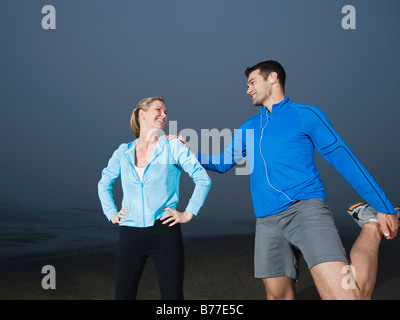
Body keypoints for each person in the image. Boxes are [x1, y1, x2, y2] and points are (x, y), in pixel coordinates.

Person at [169, 60, 398, 300]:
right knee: (278, 296)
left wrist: (383, 206)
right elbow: (222, 163)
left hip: (306, 211)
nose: (248, 89)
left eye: (252, 82)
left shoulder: (306, 115)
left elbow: (346, 161)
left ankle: (370, 224)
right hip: (267, 221)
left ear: (273, 78)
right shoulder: (248, 127)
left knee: (345, 297)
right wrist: (188, 152)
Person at [98, 97, 211, 300]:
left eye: (166, 112)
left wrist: (188, 213)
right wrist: (111, 213)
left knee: (173, 298)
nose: (164, 115)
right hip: (129, 234)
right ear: (142, 114)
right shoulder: (123, 151)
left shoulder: (172, 147)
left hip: (164, 231)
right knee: (123, 296)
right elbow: (104, 184)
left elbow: (203, 179)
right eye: (158, 110)